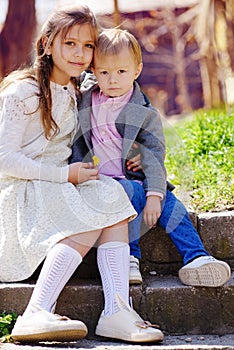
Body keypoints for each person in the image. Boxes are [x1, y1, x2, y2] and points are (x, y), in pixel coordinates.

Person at [0, 6, 164, 344]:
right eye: (70, 43)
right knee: (90, 209)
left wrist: (138, 157)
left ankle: (117, 311)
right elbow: (4, 160)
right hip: (19, 193)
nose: (80, 53)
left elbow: (123, 101)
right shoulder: (22, 91)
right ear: (46, 43)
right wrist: (66, 176)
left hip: (58, 186)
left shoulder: (80, 92)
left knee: (111, 194)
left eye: (88, 45)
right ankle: (36, 312)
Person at [71, 28, 231, 287]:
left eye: (121, 71)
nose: (112, 79)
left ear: (137, 70)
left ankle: (198, 257)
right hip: (102, 183)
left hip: (137, 178)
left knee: (170, 205)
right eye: (104, 72)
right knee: (124, 193)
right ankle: (130, 257)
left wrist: (155, 195)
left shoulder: (145, 113)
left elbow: (155, 155)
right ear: (93, 71)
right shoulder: (86, 96)